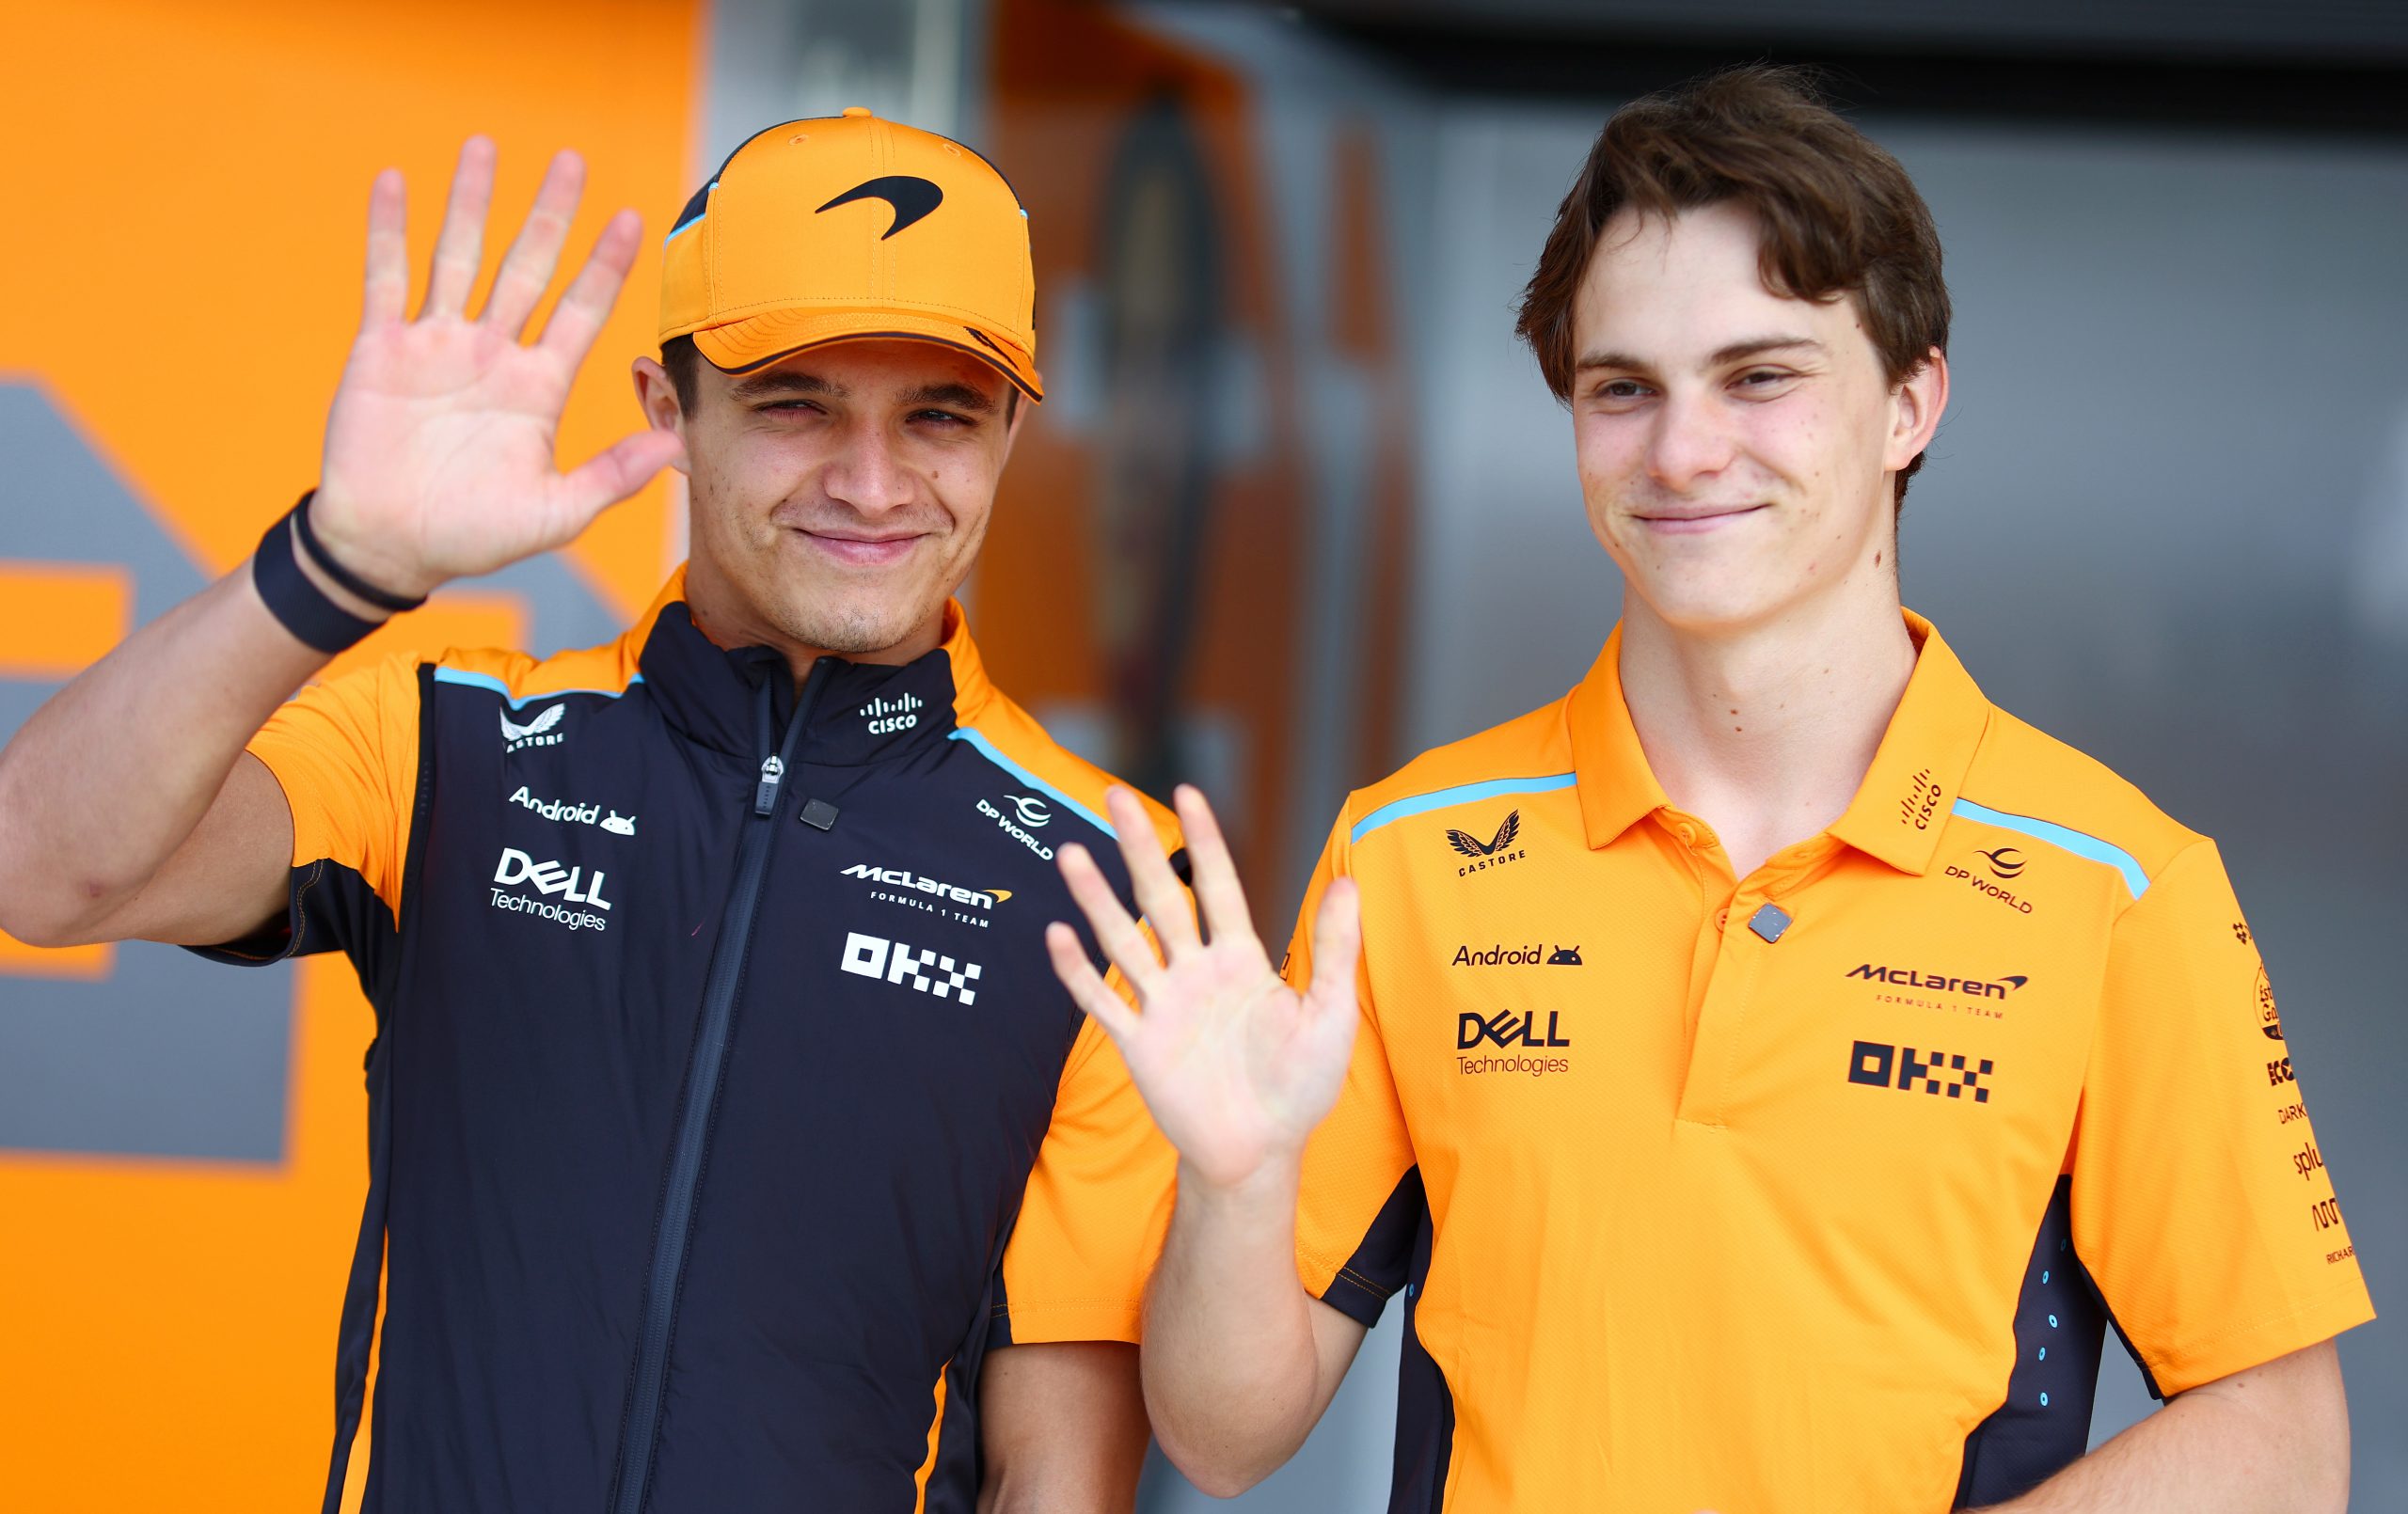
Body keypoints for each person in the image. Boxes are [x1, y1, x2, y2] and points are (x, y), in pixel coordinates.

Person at [1047, 67, 2373, 1512]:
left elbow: (2283, 1440)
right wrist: (1235, 1195)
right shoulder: (1408, 851)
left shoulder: (2117, 887)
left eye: (1762, 376)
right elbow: (1220, 1435)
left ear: (1908, 405)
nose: (1683, 452)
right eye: (1625, 389)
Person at [0, 109, 1177, 1513]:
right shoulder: (450, 743)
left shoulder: (1108, 877)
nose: (872, 483)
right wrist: (334, 564)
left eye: (940, 414)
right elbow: (38, 869)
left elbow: (1060, 1464)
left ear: (1014, 429)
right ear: (667, 407)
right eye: (795, 401)